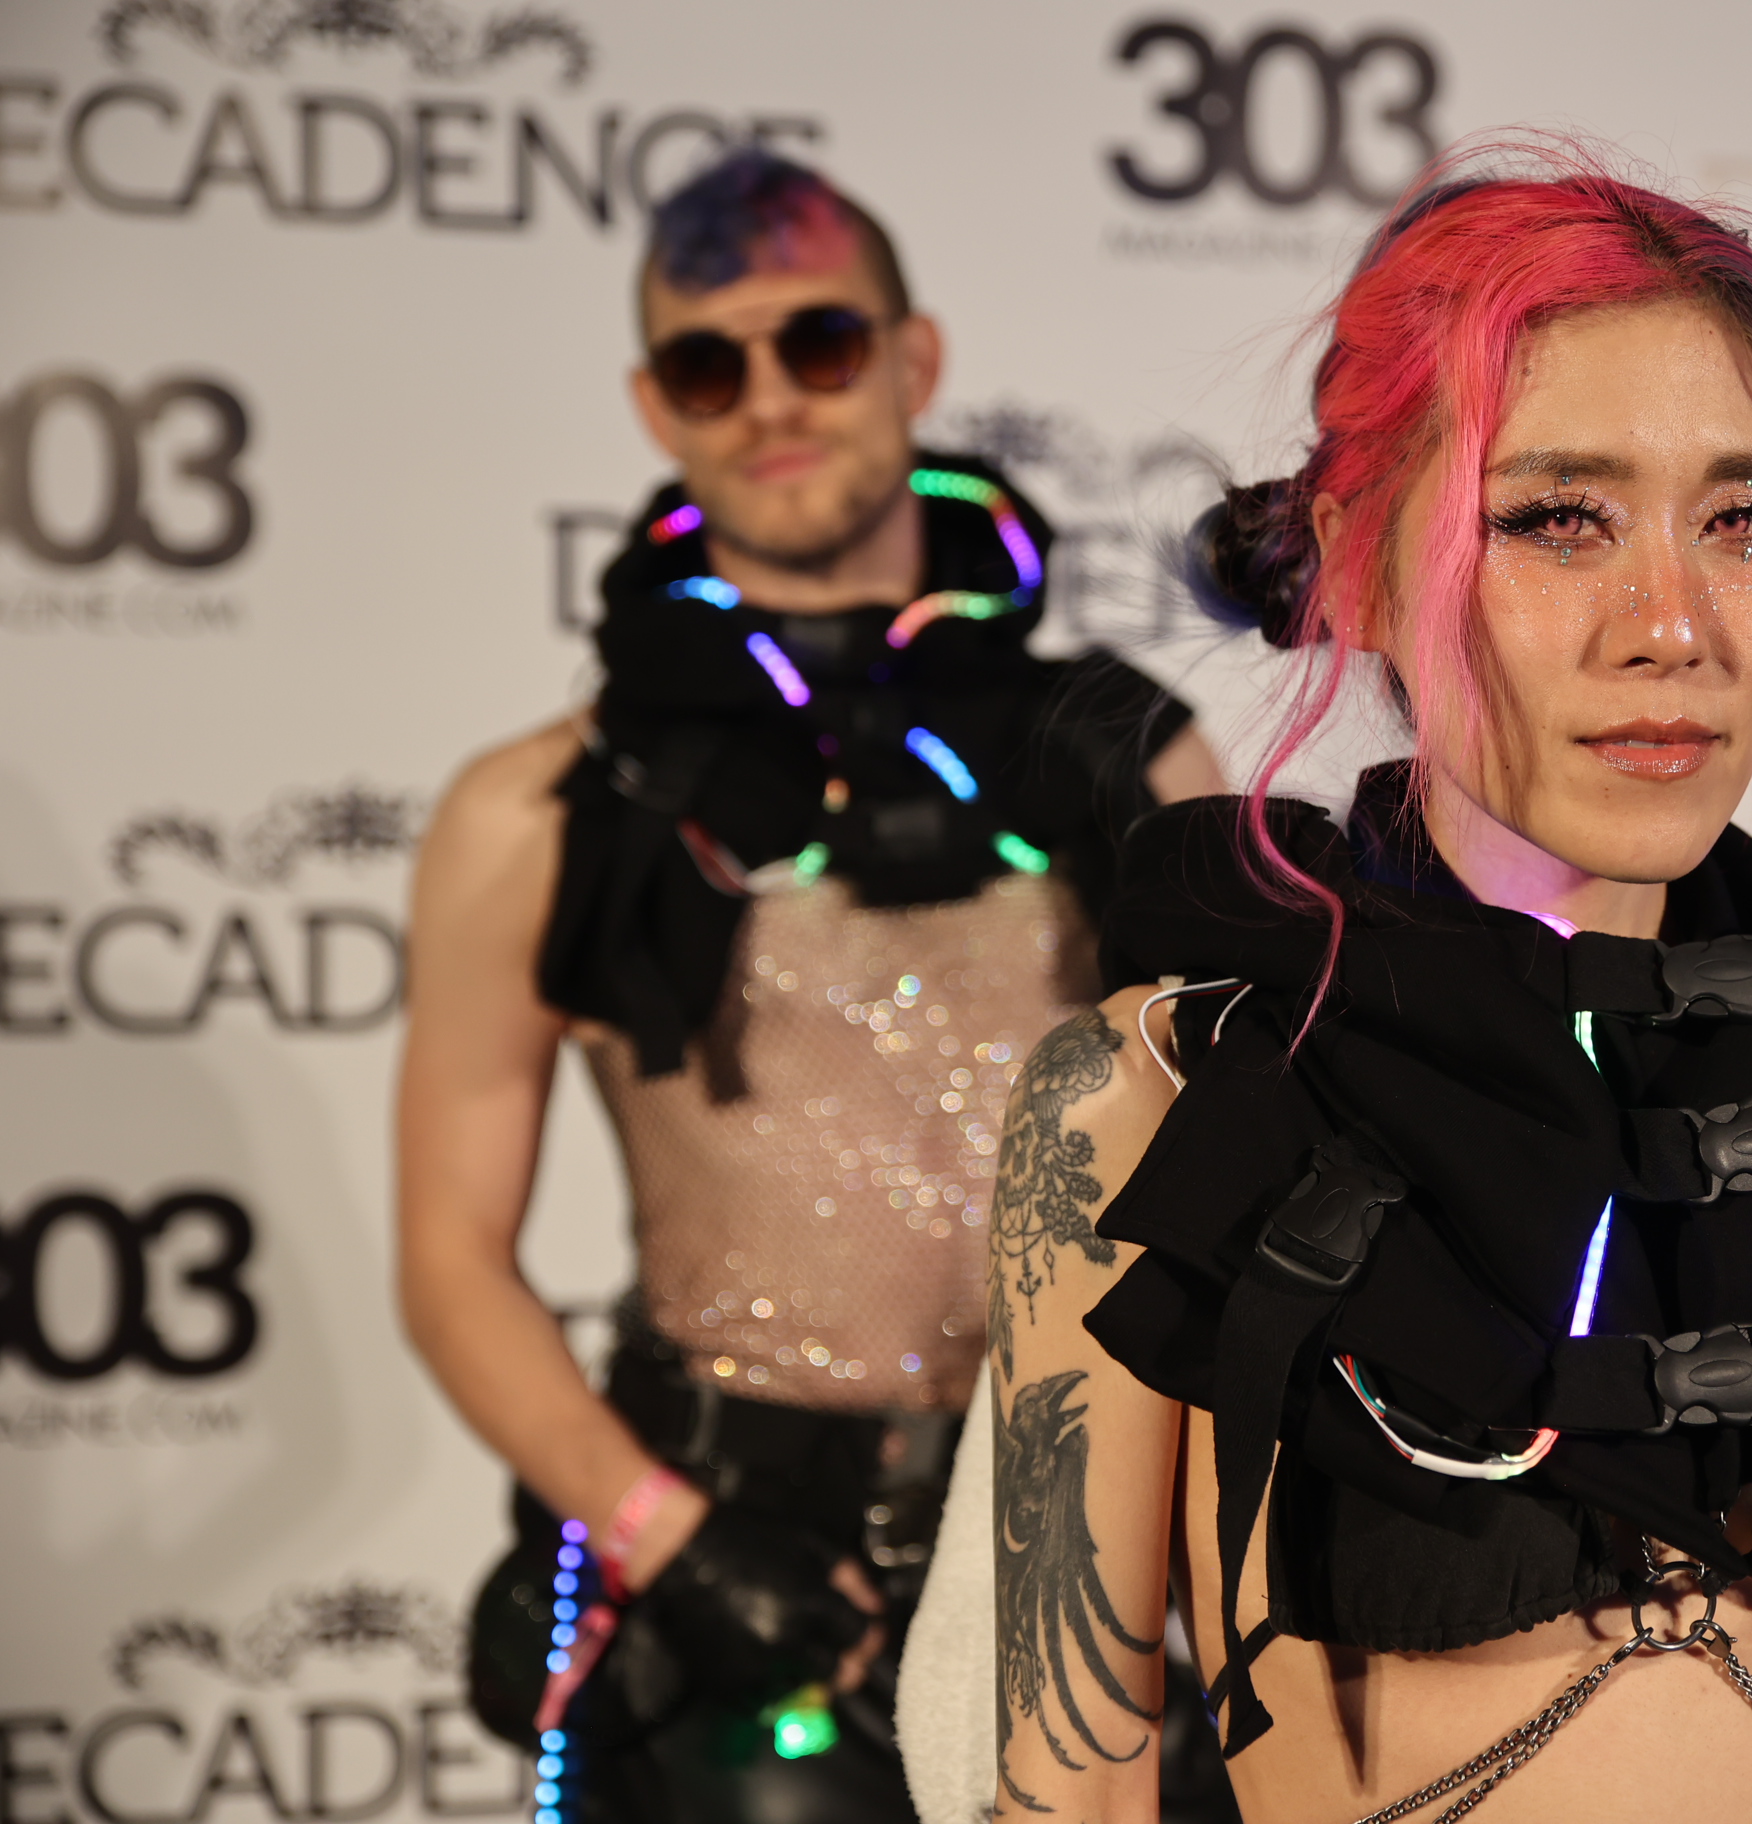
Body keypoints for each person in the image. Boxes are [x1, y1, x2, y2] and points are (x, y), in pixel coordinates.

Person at [979, 153, 1752, 1824]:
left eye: (1745, 521)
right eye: (1561, 519)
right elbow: (1070, 1798)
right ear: (1358, 559)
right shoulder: (1150, 1105)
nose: (1674, 626)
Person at [395, 148, 1225, 1823]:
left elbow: (1246, 1175)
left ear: (913, 359)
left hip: (1102, 1565)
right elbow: (448, 1257)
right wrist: (669, 1542)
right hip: (733, 1577)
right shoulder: (544, 808)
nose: (770, 396)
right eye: (712, 365)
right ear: (656, 406)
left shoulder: (1126, 754)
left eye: (821, 344)